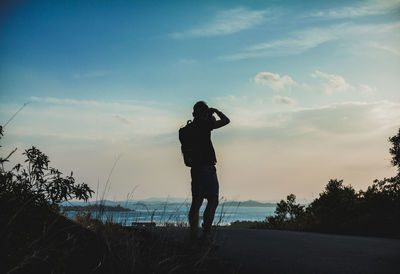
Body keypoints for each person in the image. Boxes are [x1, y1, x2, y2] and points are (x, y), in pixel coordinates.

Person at [187, 101, 230, 242]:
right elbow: (226, 121)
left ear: (193, 113)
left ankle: (193, 234)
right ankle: (206, 233)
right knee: (212, 200)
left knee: (196, 202)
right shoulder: (205, 126)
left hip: (195, 169)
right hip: (207, 167)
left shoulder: (186, 130)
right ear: (205, 113)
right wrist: (216, 111)